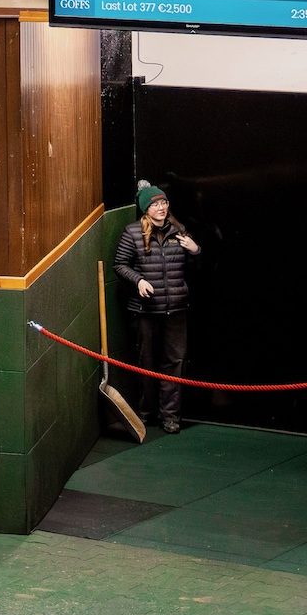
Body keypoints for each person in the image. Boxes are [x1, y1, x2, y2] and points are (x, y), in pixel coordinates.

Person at [112, 183, 199, 432]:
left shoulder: (179, 231)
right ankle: (146, 413)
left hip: (176, 309)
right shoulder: (132, 232)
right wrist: (138, 280)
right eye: (155, 204)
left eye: (164, 203)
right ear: (145, 209)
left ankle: (170, 416)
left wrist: (196, 251)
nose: (161, 208)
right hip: (145, 311)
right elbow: (119, 265)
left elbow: (196, 270)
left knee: (174, 363)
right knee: (146, 362)